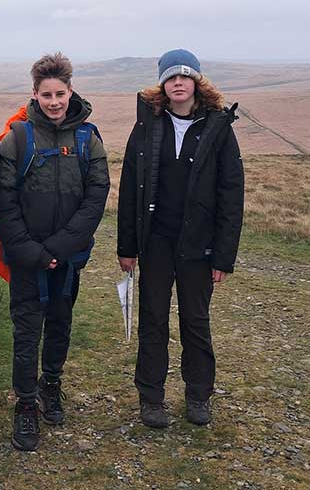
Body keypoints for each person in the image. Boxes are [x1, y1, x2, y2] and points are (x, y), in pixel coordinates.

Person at [116, 48, 244, 428]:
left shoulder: (219, 129)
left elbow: (231, 194)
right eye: (170, 76)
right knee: (153, 321)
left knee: (196, 321)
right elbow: (129, 191)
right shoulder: (147, 127)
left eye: (184, 76)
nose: (177, 82)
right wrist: (127, 248)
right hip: (155, 244)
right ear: (162, 84)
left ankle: (198, 396)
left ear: (196, 82)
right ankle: (151, 399)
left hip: (199, 248)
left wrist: (223, 256)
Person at [0, 52, 110, 451]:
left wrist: (61, 247)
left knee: (60, 324)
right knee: (27, 332)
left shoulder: (87, 138)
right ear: (35, 94)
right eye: (47, 95)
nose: (55, 101)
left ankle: (51, 385)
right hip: (28, 260)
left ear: (70, 90)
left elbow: (97, 196)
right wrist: (30, 251)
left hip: (69, 258)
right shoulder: (19, 138)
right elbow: (3, 201)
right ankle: (25, 405)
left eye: (60, 93)